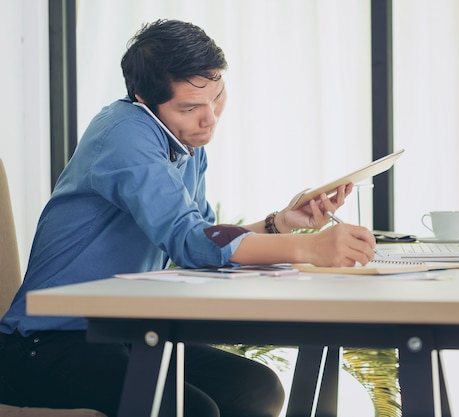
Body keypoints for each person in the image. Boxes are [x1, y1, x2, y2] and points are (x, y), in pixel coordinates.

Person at [0, 19, 377, 417]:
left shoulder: (185, 144)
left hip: (123, 332)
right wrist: (308, 248)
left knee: (255, 388)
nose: (210, 118)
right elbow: (193, 241)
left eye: (216, 97)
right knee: (194, 410)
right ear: (145, 99)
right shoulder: (126, 133)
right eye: (190, 107)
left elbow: (206, 235)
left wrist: (281, 223)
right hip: (46, 343)